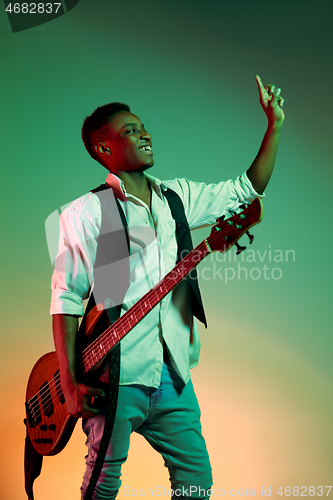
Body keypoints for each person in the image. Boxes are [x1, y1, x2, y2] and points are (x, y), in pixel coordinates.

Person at [50, 75, 285, 500]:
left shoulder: (178, 197)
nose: (145, 133)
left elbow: (246, 191)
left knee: (197, 481)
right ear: (104, 149)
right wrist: (68, 385)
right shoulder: (84, 213)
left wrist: (275, 127)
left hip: (173, 371)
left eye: (143, 127)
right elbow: (66, 300)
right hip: (114, 378)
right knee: (102, 485)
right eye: (130, 130)